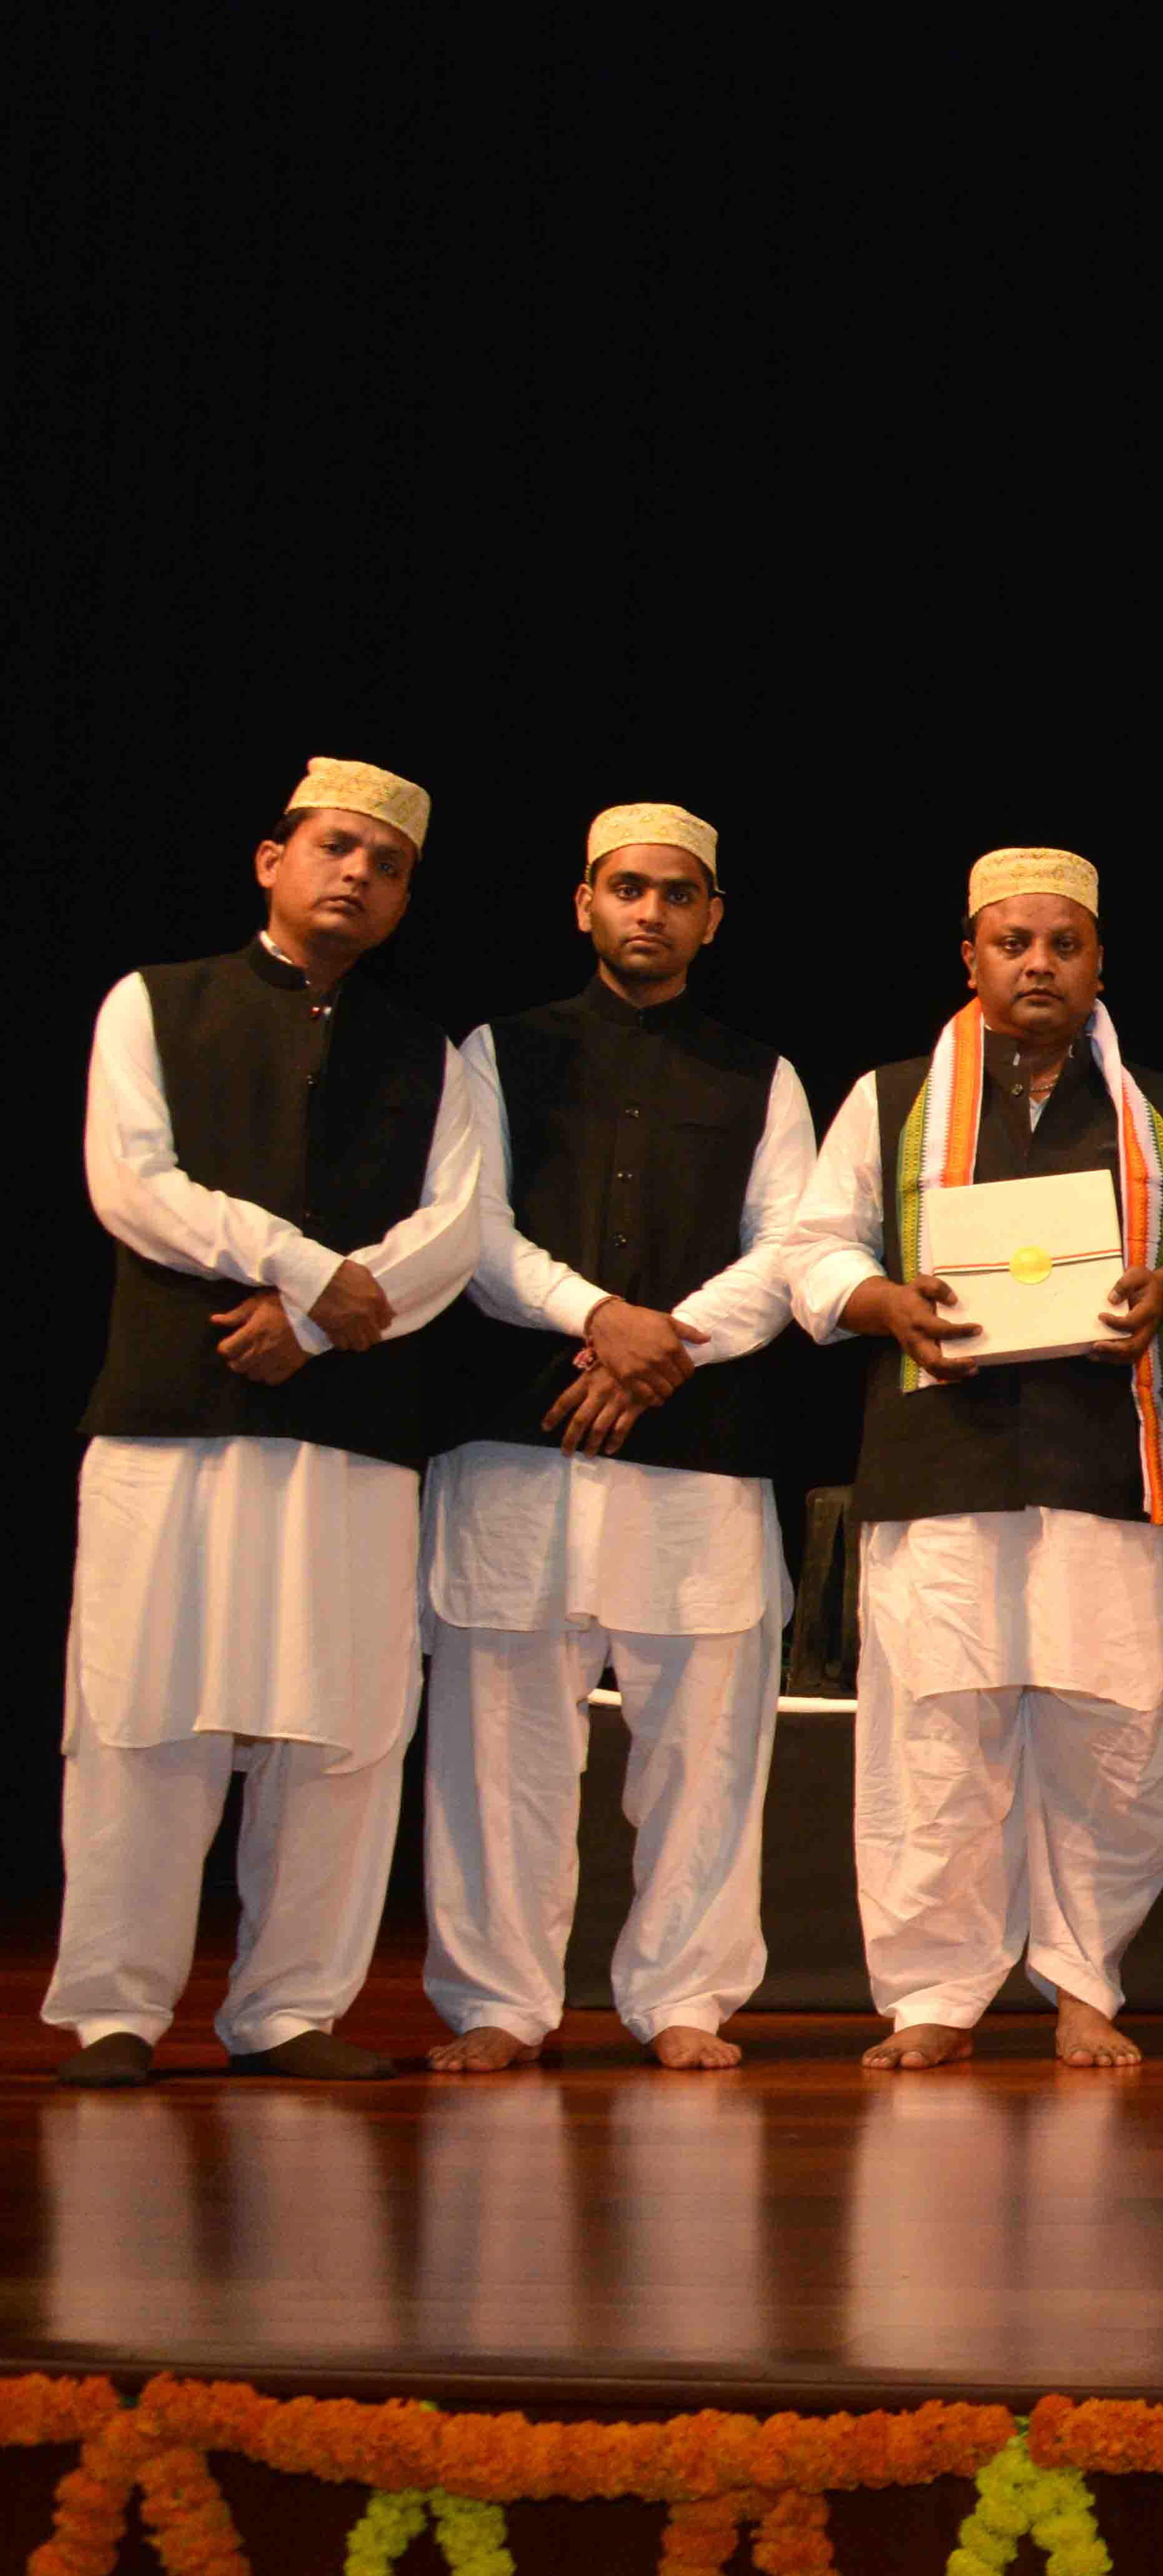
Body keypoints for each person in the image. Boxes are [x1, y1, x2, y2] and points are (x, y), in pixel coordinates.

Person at [48, 757, 490, 2085]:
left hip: (346, 1424)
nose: (357, 873)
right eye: (336, 847)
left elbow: (454, 1232)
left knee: (341, 1723)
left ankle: (290, 2010)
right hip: (169, 1415)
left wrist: (309, 1323)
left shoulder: (432, 1050)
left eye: (388, 862)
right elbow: (133, 1183)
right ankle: (116, 2009)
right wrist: (303, 1267)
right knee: (143, 1713)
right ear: (271, 859)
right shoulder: (157, 1002)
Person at [784, 848, 1163, 2069]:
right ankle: (934, 1991)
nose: (1037, 963)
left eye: (1063, 944)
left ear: (1097, 962)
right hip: (941, 1461)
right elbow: (813, 1248)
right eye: (1011, 942)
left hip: (1117, 1461)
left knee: (1119, 1737)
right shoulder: (891, 1099)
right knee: (935, 1735)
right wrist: (878, 1298)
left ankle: (1086, 1980)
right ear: (971, 958)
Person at [417, 803, 814, 2075]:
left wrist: (667, 1348)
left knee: (704, 1742)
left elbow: (793, 1248)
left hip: (697, 1446)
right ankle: (497, 2000)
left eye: (677, 892)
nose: (650, 911)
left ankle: (686, 1994)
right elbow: (467, 1232)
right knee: (500, 1741)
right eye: (627, 889)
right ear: (583, 902)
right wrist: (599, 1318)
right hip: (519, 1439)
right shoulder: (498, 1050)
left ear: (712, 916)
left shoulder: (761, 1072)